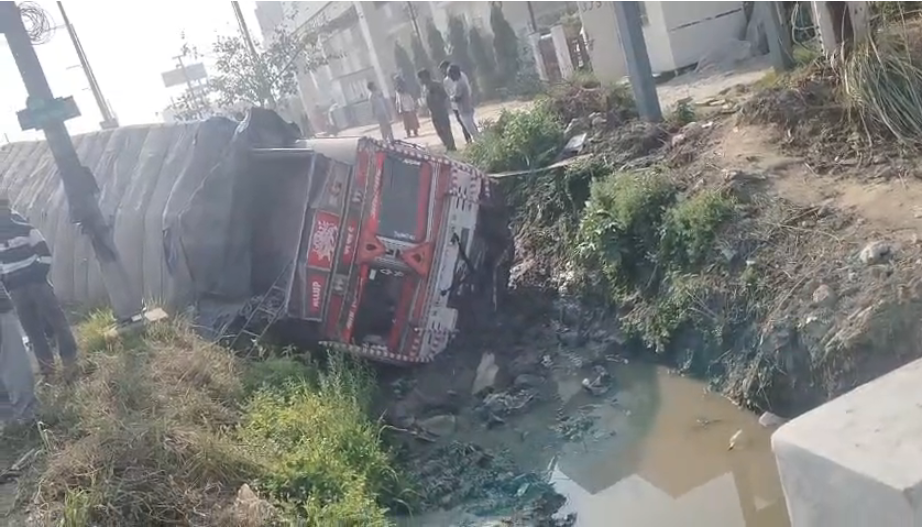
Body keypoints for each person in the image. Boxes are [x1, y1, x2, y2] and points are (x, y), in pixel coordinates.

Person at [0, 199, 77, 379]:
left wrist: (37, 276)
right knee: (32, 331)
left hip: (37, 285)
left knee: (57, 322)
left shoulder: (25, 228)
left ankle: (69, 361)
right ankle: (47, 369)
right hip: (17, 291)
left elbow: (45, 254)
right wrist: (8, 283)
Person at [418, 69, 456, 151]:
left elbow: (444, 96)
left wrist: (443, 107)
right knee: (439, 131)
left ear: (426, 77)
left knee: (446, 130)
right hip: (433, 113)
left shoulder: (436, 85)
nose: (420, 80)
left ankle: (452, 147)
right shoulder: (424, 88)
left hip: (441, 111)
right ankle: (447, 146)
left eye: (421, 78)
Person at [440, 60, 473, 143]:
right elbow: (448, 92)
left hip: (464, 103)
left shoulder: (461, 77)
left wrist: (465, 98)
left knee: (469, 123)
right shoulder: (446, 81)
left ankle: (475, 141)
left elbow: (466, 89)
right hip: (456, 106)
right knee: (463, 124)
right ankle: (469, 141)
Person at [448, 64, 479, 140]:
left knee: (471, 129)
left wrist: (451, 98)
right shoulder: (458, 82)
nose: (450, 77)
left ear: (455, 73)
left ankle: (480, 143)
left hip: (465, 109)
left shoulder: (459, 83)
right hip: (465, 108)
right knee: (472, 128)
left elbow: (457, 97)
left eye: (450, 75)